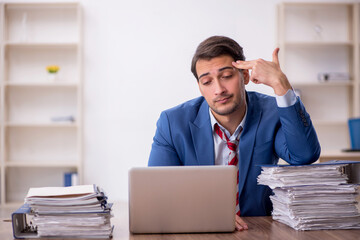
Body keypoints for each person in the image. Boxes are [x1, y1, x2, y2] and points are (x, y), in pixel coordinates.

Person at [148, 36, 321, 231]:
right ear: (200, 87)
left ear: (245, 77)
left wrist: (281, 85)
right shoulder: (172, 123)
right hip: (198, 230)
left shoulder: (273, 113)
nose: (218, 90)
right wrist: (209, 215)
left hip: (258, 230)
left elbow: (304, 155)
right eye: (207, 82)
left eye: (227, 76)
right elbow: (159, 193)